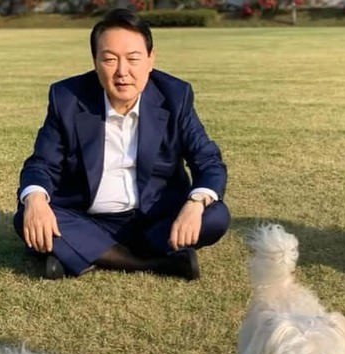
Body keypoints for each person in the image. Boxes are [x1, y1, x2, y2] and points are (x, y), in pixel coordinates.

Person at [13, 8, 230, 280]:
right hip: (88, 217)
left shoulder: (175, 96)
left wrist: (195, 203)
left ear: (150, 59)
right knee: (26, 216)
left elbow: (208, 162)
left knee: (216, 215)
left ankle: (86, 255)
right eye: (110, 59)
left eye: (133, 58)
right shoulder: (67, 98)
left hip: (156, 218)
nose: (122, 71)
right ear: (95, 61)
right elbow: (42, 163)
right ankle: (154, 262)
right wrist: (35, 199)